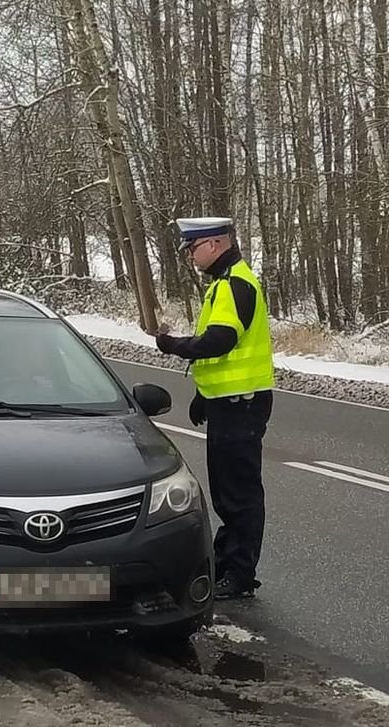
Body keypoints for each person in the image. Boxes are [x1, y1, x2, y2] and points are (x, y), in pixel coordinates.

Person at [151, 216, 275, 600]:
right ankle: (227, 558)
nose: (190, 256)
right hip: (230, 402)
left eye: (193, 248)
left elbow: (220, 340)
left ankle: (240, 574)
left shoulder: (235, 283)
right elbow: (227, 352)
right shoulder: (223, 283)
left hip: (243, 404)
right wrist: (206, 394)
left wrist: (174, 345)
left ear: (215, 244)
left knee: (239, 493)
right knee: (225, 491)